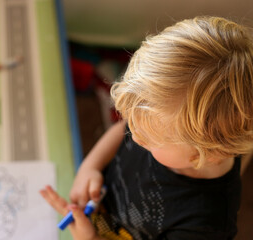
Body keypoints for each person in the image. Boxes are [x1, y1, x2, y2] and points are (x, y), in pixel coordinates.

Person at [40, 16, 253, 240]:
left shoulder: (204, 227)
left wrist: (90, 238)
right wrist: (89, 168)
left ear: (205, 153)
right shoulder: (165, 129)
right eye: (133, 122)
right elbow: (121, 130)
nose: (133, 134)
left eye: (148, 137)